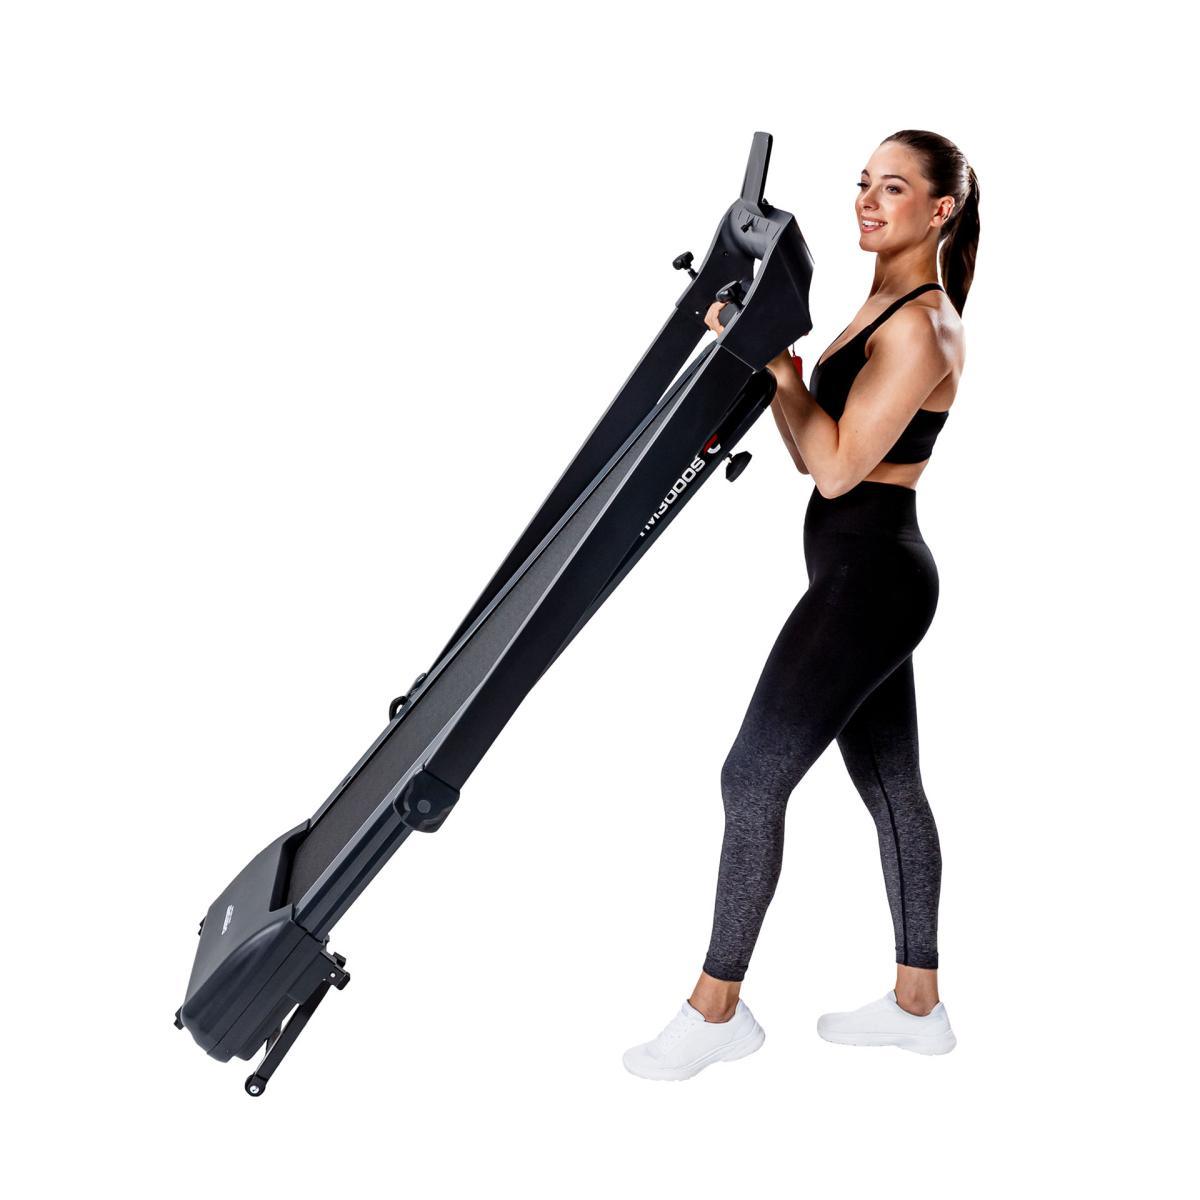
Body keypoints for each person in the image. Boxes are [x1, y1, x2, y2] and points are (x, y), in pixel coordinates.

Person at [623, 130, 980, 1080]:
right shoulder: (880, 305)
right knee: (892, 786)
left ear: (939, 210)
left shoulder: (922, 326)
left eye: (893, 188)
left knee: (751, 779)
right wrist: (769, 361)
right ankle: (918, 1006)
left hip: (874, 582)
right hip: (859, 578)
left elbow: (834, 469)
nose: (867, 199)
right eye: (863, 182)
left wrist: (779, 366)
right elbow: (808, 448)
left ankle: (716, 1009)